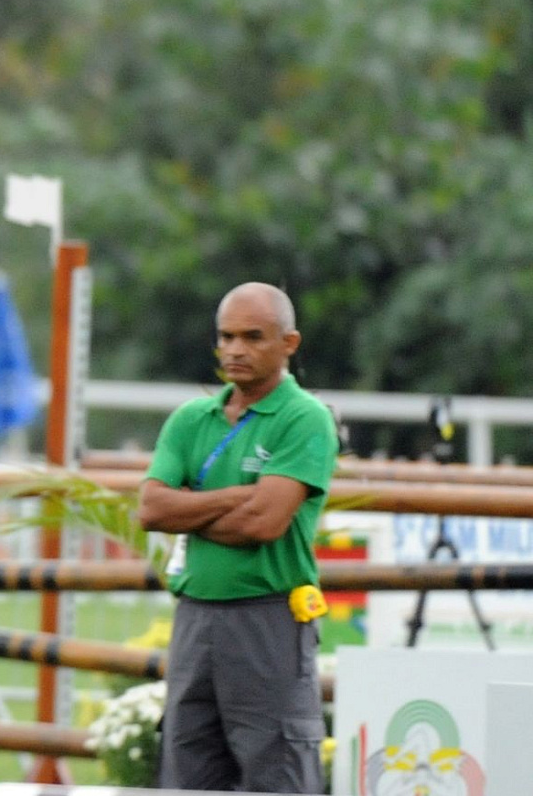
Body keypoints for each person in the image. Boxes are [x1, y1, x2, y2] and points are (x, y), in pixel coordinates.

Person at [137, 282, 338, 793]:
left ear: (289, 344)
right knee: (187, 771)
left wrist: (192, 507)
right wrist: (239, 495)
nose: (235, 350)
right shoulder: (190, 418)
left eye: (253, 337)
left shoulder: (305, 418)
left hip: (268, 617)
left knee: (278, 773)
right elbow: (152, 509)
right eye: (226, 337)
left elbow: (262, 526)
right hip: (195, 618)